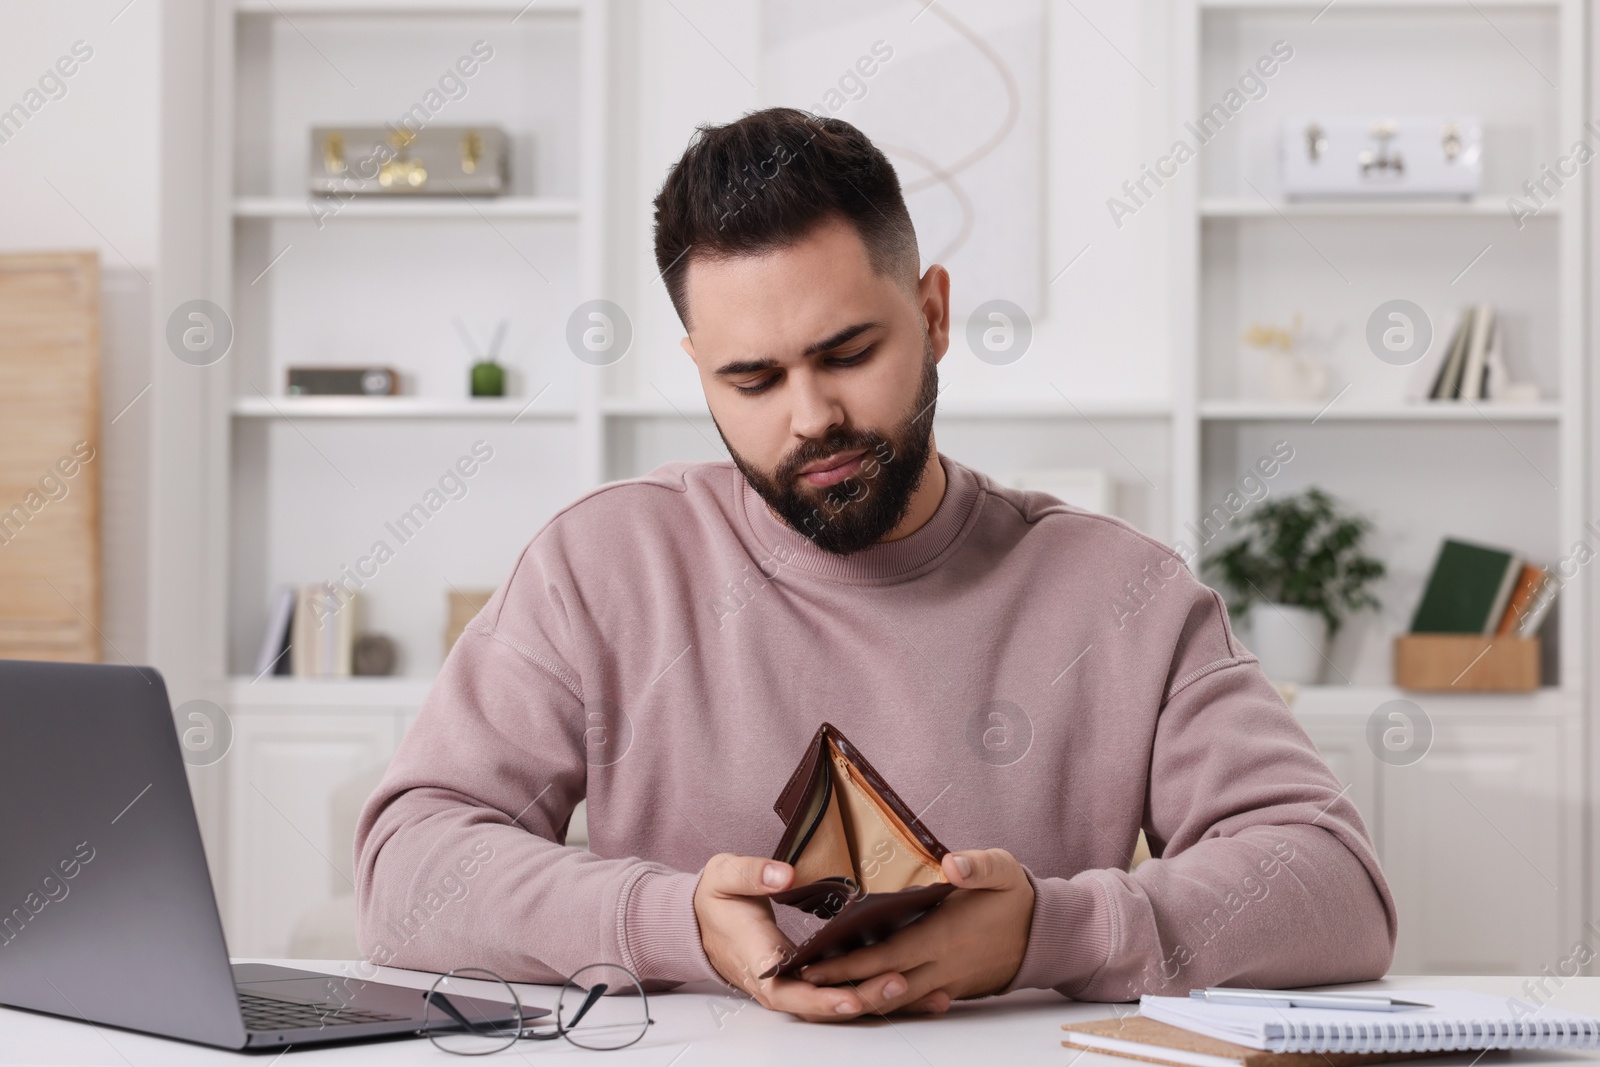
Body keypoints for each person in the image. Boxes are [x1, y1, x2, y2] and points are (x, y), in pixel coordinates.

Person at [354, 107, 1396, 1023]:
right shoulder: (602, 563)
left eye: (848, 353)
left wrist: (1050, 930)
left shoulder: (1121, 591)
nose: (812, 418)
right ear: (698, 374)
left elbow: (1336, 883)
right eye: (751, 379)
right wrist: (675, 922)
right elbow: (408, 868)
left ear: (934, 313)